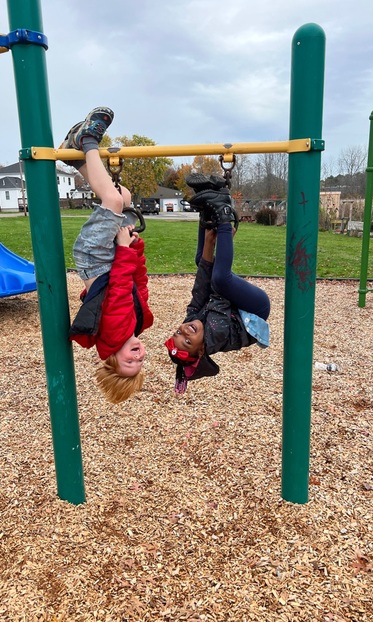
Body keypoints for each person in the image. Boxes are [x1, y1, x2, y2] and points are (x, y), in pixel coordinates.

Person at [59, 107, 154, 403]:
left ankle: (88, 139)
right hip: (112, 258)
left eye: (130, 362)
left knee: (113, 199)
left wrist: (124, 249)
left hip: (95, 257)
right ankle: (73, 156)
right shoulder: (136, 325)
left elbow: (120, 290)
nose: (138, 357)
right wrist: (134, 250)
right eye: (140, 362)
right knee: (123, 196)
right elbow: (139, 285)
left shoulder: (115, 335)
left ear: (113, 358)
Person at [164, 174, 271, 394]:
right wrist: (222, 237)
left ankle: (207, 211)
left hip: (233, 306)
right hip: (255, 310)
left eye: (178, 332)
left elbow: (199, 292)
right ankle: (222, 214)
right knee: (220, 279)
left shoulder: (193, 324)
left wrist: (208, 245)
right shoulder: (217, 334)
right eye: (188, 341)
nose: (185, 330)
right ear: (202, 350)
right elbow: (217, 294)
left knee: (201, 263)